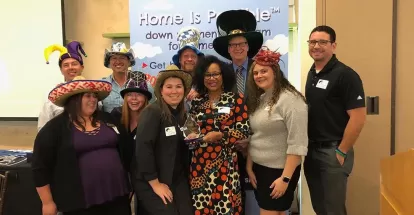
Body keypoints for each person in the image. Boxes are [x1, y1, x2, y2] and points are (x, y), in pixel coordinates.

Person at [32, 76, 132, 215]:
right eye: (87, 96)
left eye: (95, 96)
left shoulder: (107, 119)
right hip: (79, 202)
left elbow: (126, 149)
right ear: (74, 99)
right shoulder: (55, 128)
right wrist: (47, 203)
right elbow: (40, 167)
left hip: (117, 196)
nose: (93, 100)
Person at [304, 25, 366, 215]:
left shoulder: (346, 75)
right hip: (311, 150)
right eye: (313, 42)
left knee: (333, 209)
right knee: (320, 207)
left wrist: (342, 150)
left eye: (323, 42)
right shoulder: (312, 72)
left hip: (333, 151)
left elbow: (358, 117)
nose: (316, 46)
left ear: (333, 45)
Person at [245, 47, 308, 215]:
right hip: (261, 170)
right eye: (255, 73)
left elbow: (298, 143)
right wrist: (250, 166)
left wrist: (285, 179)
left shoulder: (291, 100)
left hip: (279, 172)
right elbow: (257, 135)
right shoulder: (263, 97)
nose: (259, 76)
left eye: (264, 71)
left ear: (275, 72)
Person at [212, 10, 264, 213]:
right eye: (233, 45)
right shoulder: (221, 74)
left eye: (242, 44)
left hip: (259, 141)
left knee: (259, 193)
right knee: (234, 193)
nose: (238, 48)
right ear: (228, 49)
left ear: (248, 46)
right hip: (229, 145)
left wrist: (250, 139)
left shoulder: (261, 71)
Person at [188, 55, 250, 215]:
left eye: (216, 74)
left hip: (226, 164)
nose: (212, 78)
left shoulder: (237, 100)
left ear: (224, 76)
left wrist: (221, 136)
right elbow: (189, 131)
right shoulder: (196, 102)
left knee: (226, 207)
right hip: (199, 165)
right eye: (207, 75)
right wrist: (199, 137)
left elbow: (243, 131)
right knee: (202, 208)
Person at [134, 65, 194, 215]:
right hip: (151, 179)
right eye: (169, 87)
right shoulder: (152, 112)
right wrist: (155, 184)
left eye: (178, 87)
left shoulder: (182, 115)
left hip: (176, 177)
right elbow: (143, 149)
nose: (174, 91)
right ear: (161, 90)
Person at [110, 71, 152, 215]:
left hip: (145, 176)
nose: (134, 98)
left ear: (146, 98)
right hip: (121, 175)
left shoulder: (152, 118)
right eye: (130, 94)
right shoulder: (116, 116)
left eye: (139, 94)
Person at [38, 41, 87, 131]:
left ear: (82, 67)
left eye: (74, 64)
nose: (70, 67)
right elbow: (43, 126)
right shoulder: (52, 94)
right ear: (61, 70)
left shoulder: (93, 90)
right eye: (66, 65)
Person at [101, 42, 155, 113]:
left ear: (129, 62)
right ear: (109, 62)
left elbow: (152, 111)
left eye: (122, 58)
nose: (118, 61)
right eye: (114, 58)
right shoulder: (102, 85)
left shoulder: (144, 85)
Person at [172, 26, 205, 109]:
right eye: (186, 56)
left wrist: (201, 93)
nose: (189, 59)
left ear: (198, 59)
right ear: (179, 59)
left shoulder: (206, 80)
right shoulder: (171, 79)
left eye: (193, 56)